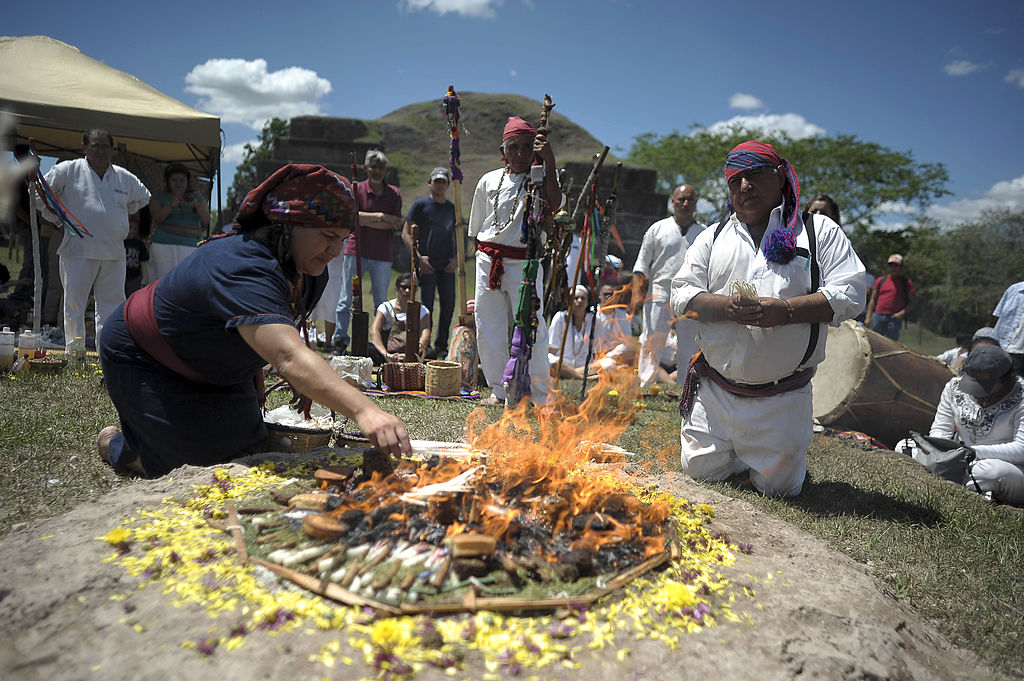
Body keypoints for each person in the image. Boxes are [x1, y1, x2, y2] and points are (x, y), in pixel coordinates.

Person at [96, 164, 410, 478]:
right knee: (182, 465)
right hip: (145, 355)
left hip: (216, 364)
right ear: (286, 226)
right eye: (328, 236)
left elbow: (274, 337)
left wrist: (306, 380)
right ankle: (116, 445)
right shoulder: (244, 265)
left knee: (249, 451)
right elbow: (288, 356)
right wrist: (365, 410)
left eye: (342, 239)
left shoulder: (311, 270)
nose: (335, 250)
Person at [671, 140, 866, 496]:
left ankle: (765, 458)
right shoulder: (714, 237)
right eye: (735, 180)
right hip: (715, 390)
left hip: (781, 397)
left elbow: (852, 294)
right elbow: (681, 294)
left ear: (780, 178)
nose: (745, 186)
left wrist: (786, 312)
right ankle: (737, 452)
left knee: (780, 489)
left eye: (755, 175)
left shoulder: (817, 231)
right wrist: (725, 308)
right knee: (698, 470)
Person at [468, 116, 561, 407]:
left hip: (525, 263)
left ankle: (538, 396)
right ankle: (499, 389)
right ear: (503, 150)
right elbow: (476, 230)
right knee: (488, 324)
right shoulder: (487, 180)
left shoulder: (539, 180)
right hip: (488, 261)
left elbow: (555, 204)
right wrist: (485, 259)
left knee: (533, 326)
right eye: (514, 147)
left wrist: (549, 161)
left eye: (526, 147)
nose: (520, 153)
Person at [41, 129, 151, 351]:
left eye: (104, 146)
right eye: (95, 145)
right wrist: (59, 220)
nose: (100, 150)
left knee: (112, 307)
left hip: (113, 252)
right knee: (74, 306)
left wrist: (117, 215)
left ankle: (107, 354)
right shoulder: (68, 170)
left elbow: (144, 196)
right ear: (84, 147)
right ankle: (75, 356)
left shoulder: (123, 176)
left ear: (112, 150)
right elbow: (40, 195)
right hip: (77, 250)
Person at [927, 345, 1024, 505]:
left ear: (1005, 379)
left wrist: (971, 452)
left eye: (984, 385)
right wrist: (939, 452)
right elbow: (940, 429)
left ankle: (948, 483)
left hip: (1010, 469)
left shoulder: (1021, 396)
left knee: (990, 472)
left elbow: (1021, 449)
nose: (974, 392)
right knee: (905, 446)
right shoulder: (953, 387)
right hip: (959, 460)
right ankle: (957, 484)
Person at [632, 184, 706, 388]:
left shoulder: (704, 233)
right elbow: (641, 264)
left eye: (689, 199)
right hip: (660, 291)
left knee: (690, 343)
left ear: (695, 204)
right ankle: (645, 385)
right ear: (672, 203)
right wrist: (637, 293)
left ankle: (686, 387)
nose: (684, 203)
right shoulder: (658, 229)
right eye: (680, 199)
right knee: (651, 340)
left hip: (691, 294)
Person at [333, 150, 402, 356]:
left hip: (382, 254)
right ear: (366, 168)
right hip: (356, 250)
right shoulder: (356, 189)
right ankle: (340, 341)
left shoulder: (394, 193)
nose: (377, 171)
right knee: (347, 298)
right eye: (373, 167)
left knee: (381, 300)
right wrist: (382, 217)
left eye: (381, 168)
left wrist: (367, 219)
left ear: (385, 170)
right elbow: (353, 217)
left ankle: (378, 343)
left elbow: (396, 223)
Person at [402, 167, 456, 359]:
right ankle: (424, 344)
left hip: (447, 264)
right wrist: (417, 257)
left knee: (449, 304)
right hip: (426, 263)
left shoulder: (452, 208)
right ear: (429, 182)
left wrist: (456, 259)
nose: (440, 185)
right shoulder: (420, 206)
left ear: (448, 185)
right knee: (427, 306)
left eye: (443, 182)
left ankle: (441, 345)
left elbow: (458, 235)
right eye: (436, 181)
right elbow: (406, 232)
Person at [0, 144, 51, 331]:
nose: (39, 161)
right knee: (31, 262)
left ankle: (31, 296)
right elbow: (16, 205)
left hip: (36, 226)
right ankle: (19, 296)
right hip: (27, 227)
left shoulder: (32, 177)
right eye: (35, 157)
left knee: (41, 264)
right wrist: (31, 223)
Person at [368, 272, 431, 366]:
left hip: (413, 353)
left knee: (431, 353)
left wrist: (412, 354)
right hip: (387, 351)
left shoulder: (423, 310)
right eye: (403, 287)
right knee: (368, 350)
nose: (407, 291)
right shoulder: (385, 307)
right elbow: (374, 331)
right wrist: (386, 354)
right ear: (396, 289)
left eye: (411, 287)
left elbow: (425, 335)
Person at [864, 254, 916, 341]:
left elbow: (913, 301)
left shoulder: (906, 283)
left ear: (900, 267)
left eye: (896, 266)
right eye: (891, 265)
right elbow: (873, 299)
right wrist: (868, 317)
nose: (893, 268)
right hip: (879, 315)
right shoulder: (881, 280)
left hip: (894, 318)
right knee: (876, 342)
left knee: (891, 343)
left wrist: (901, 313)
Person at [123, 221, 149, 296]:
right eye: (130, 227)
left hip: (135, 278)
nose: (132, 231)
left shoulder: (140, 244)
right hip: (121, 277)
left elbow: (144, 263)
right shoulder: (120, 242)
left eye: (135, 228)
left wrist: (144, 280)